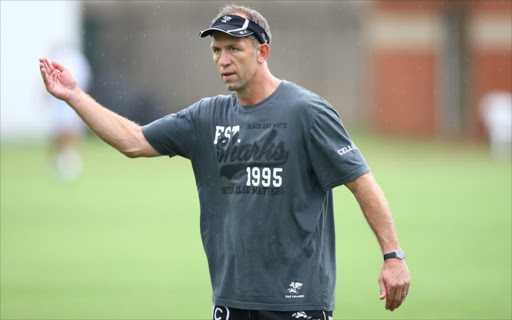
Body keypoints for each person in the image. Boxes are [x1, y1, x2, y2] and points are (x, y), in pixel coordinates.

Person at [39, 4, 410, 319]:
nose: (223, 60)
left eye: (234, 49)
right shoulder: (207, 116)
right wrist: (74, 96)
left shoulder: (306, 111)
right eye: (217, 51)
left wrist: (393, 255)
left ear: (262, 52)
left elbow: (361, 181)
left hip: (298, 300)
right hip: (231, 300)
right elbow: (133, 141)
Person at [46, 46, 92, 180]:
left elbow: (84, 79)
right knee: (60, 132)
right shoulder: (56, 59)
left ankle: (71, 160)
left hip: (74, 100)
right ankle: (59, 160)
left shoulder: (77, 60)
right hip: (59, 103)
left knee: (73, 131)